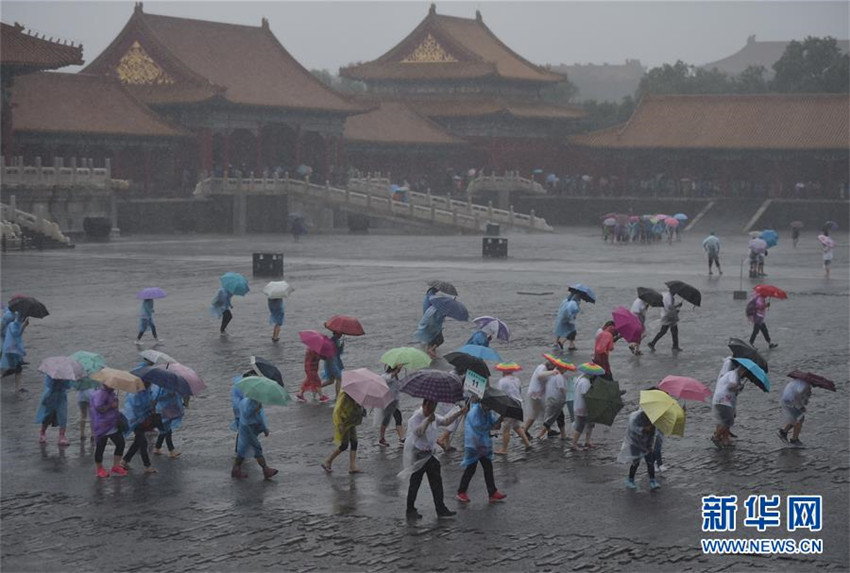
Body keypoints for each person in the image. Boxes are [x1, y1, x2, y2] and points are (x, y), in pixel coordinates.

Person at [402, 399, 466, 519]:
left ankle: (440, 508)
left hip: (430, 455)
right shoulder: (415, 417)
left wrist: (459, 413)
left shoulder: (434, 416)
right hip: (419, 454)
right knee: (415, 483)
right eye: (430, 407)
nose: (432, 410)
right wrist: (427, 421)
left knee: (437, 482)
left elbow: (446, 422)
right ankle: (410, 509)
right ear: (424, 405)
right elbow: (419, 432)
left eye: (434, 407)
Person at [456, 401, 507, 504]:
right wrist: (492, 425)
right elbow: (480, 427)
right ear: (483, 403)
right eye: (488, 404)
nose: (490, 407)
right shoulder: (474, 412)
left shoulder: (488, 412)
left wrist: (500, 420)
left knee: (488, 468)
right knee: (471, 469)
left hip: (483, 445)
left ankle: (492, 493)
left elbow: (495, 426)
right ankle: (461, 492)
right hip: (473, 445)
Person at [231, 396, 279, 479]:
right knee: (256, 448)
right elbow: (256, 417)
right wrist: (264, 429)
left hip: (245, 427)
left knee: (243, 449)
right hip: (248, 429)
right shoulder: (253, 404)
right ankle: (265, 469)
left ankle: (235, 469)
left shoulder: (246, 401)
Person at [321, 391, 365, 474]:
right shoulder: (345, 395)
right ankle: (328, 461)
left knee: (354, 442)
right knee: (344, 445)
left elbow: (356, 406)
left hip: (351, 422)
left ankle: (352, 467)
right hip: (344, 422)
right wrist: (340, 424)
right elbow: (337, 409)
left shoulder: (357, 394)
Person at [89, 385, 127, 478]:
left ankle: (116, 466)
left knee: (120, 443)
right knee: (101, 446)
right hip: (102, 425)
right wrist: (111, 405)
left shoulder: (112, 393)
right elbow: (99, 408)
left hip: (112, 424)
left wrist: (115, 403)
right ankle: (99, 469)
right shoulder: (100, 394)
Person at [618, 410, 660, 490]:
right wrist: (643, 429)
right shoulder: (637, 417)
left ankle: (652, 481)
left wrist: (650, 445)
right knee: (635, 463)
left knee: (650, 462)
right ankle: (630, 480)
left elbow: (652, 434)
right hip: (635, 443)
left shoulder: (654, 419)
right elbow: (633, 428)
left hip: (646, 444)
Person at [121, 382, 158, 473]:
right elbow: (137, 408)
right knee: (143, 443)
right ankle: (147, 466)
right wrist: (149, 406)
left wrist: (152, 405)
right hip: (136, 421)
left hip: (143, 421)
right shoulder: (136, 394)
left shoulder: (147, 392)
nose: (150, 383)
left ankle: (125, 460)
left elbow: (148, 405)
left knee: (137, 442)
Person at [494, 363, 531, 453]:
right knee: (516, 426)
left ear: (504, 371)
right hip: (518, 404)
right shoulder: (517, 380)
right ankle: (527, 444)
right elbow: (519, 391)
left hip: (509, 405)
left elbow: (500, 394)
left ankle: (504, 449)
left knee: (506, 429)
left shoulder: (502, 381)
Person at [711, 360, 745, 449]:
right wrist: (738, 387)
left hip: (721, 400)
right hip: (723, 401)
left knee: (724, 420)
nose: (744, 376)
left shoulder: (732, 375)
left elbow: (733, 392)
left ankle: (725, 440)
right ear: (742, 370)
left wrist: (738, 389)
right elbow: (730, 386)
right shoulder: (733, 374)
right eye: (744, 373)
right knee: (728, 421)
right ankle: (716, 437)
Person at [522, 357, 560, 436]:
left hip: (539, 395)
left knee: (544, 413)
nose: (554, 368)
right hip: (535, 395)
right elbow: (540, 376)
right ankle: (524, 430)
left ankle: (548, 430)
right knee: (535, 414)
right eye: (554, 366)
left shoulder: (546, 369)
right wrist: (553, 372)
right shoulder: (542, 367)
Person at [35, 375, 72, 446]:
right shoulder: (51, 372)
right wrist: (56, 380)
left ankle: (61, 436)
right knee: (48, 415)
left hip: (61, 397)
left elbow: (68, 386)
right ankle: (42, 432)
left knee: (63, 416)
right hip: (50, 396)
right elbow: (48, 384)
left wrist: (64, 380)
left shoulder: (66, 373)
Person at [152, 385, 183, 458]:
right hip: (162, 411)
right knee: (167, 430)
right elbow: (155, 398)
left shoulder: (170, 387)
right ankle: (171, 451)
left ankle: (157, 448)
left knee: (164, 430)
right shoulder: (159, 388)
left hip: (169, 410)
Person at [778, 377, 812, 445]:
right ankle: (794, 439)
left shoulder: (798, 382)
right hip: (790, 401)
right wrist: (801, 407)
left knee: (795, 418)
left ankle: (784, 432)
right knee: (800, 418)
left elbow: (801, 397)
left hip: (786, 400)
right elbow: (797, 396)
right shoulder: (804, 386)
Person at [536, 367, 568, 440]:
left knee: (560, 416)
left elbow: (540, 377)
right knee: (550, 418)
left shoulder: (550, 375)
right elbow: (561, 388)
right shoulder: (559, 376)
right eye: (565, 369)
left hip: (550, 398)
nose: (566, 371)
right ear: (562, 369)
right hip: (557, 400)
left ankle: (563, 435)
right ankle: (540, 435)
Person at [378, 364, 405, 447]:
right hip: (388, 402)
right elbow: (387, 379)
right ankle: (382, 439)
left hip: (394, 402)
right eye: (398, 369)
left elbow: (398, 388)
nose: (400, 370)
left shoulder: (396, 377)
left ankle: (401, 438)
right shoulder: (385, 376)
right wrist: (396, 371)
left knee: (397, 417)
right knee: (387, 420)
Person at [1, 313, 28, 393]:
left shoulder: (12, 324)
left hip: (10, 350)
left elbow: (17, 335)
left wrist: (24, 325)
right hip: (13, 350)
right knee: (15, 369)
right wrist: (24, 326)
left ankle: (17, 388)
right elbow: (17, 336)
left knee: (17, 369)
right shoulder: (14, 325)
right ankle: (17, 388)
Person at [572, 369, 597, 449]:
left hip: (580, 405)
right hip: (583, 407)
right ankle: (574, 444)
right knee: (580, 426)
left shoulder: (580, 378)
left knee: (590, 423)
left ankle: (587, 441)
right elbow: (586, 395)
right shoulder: (585, 382)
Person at [324, 332, 345, 398]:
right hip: (332, 362)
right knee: (339, 378)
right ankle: (337, 396)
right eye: (340, 334)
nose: (341, 335)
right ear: (336, 333)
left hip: (334, 362)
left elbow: (338, 352)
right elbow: (336, 352)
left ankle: (317, 387)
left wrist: (341, 347)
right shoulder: (333, 341)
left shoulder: (335, 341)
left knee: (331, 380)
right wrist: (341, 347)